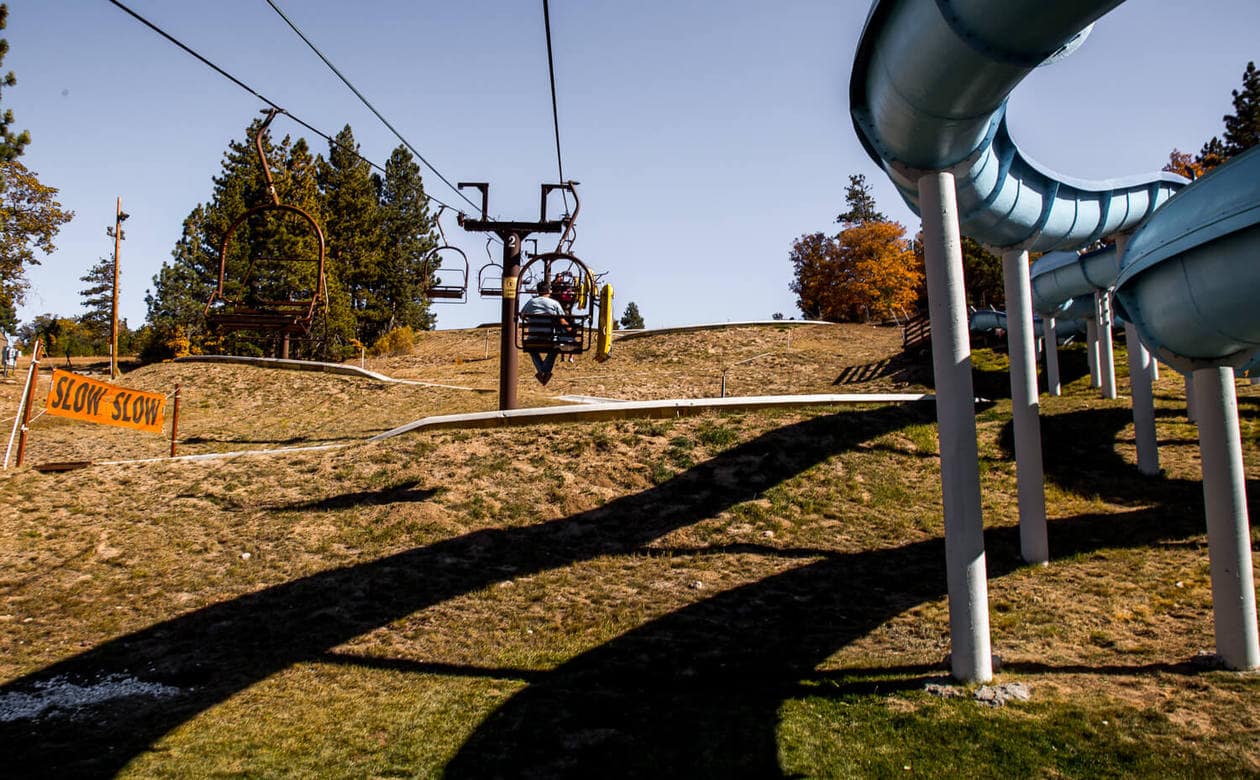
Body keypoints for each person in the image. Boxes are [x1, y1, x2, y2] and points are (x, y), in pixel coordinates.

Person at [520, 280, 569, 385]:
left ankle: (542, 372)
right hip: (548, 337)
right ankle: (544, 372)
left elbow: (522, 315)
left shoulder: (531, 302)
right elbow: (562, 320)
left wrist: (531, 320)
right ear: (549, 291)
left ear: (538, 291)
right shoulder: (554, 303)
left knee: (532, 349)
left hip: (533, 337)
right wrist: (571, 329)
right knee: (555, 349)